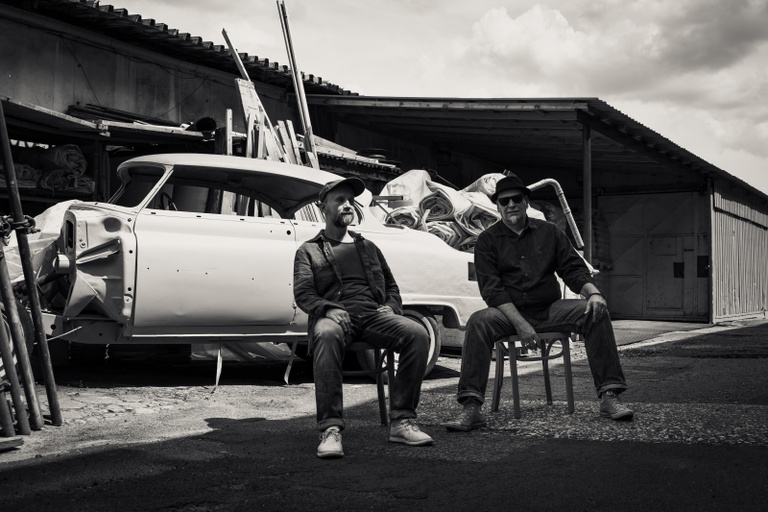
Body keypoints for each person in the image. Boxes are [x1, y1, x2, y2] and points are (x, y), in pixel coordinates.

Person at [446, 174, 633, 432]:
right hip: (508, 315)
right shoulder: (488, 241)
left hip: (549, 310)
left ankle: (609, 396)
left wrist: (594, 294)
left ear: (526, 201)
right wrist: (521, 325)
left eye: (516, 199)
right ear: (498, 206)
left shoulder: (550, 232)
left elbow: (573, 269)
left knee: (595, 312)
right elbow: (493, 291)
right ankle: (471, 407)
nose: (511, 204)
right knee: (479, 321)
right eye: (504, 201)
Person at [294, 177, 434, 458]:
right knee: (325, 333)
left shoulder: (368, 247)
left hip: (373, 316)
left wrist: (391, 307)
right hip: (335, 317)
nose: (347, 205)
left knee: (417, 334)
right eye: (340, 200)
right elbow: (303, 293)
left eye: (350, 200)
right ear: (324, 208)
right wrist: (329, 309)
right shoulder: (308, 250)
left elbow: (392, 287)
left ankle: (402, 421)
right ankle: (330, 429)